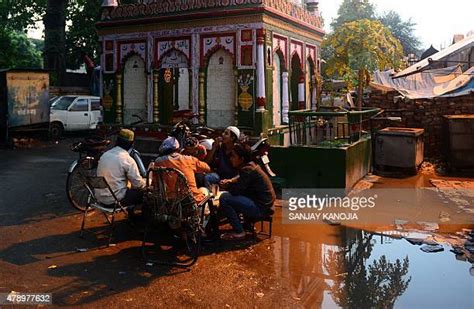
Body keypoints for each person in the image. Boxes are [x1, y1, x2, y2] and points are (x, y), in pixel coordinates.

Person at [219, 143, 276, 240]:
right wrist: (231, 181)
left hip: (261, 208)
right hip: (267, 205)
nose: (231, 159)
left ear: (241, 159)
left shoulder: (247, 170)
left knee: (224, 198)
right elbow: (240, 178)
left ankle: (239, 232)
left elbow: (236, 191)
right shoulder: (251, 166)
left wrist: (226, 186)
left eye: (233, 156)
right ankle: (245, 225)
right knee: (231, 197)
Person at [152, 136, 211, 204]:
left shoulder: (158, 162)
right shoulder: (189, 159)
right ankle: (206, 213)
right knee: (204, 190)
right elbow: (207, 168)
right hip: (190, 202)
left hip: (168, 203)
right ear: (178, 149)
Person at [96, 129, 146, 206]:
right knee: (145, 193)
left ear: (117, 141)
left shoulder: (105, 155)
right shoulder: (127, 159)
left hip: (100, 198)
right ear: (131, 144)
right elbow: (138, 184)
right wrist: (147, 182)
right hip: (115, 200)